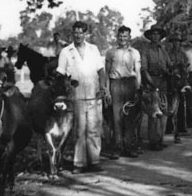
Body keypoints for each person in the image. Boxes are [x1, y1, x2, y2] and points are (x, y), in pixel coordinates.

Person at [57, 21, 110, 173]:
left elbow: (101, 70)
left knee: (94, 129)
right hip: (75, 96)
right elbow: (60, 73)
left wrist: (103, 88)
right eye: (75, 32)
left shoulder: (93, 49)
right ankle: (79, 164)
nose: (78, 35)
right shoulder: (66, 51)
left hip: (94, 94)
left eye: (81, 32)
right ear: (72, 34)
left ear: (86, 34)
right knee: (79, 131)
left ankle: (94, 161)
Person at [105, 26, 142, 158]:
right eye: (120, 36)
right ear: (117, 37)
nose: (122, 39)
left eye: (125, 36)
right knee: (117, 118)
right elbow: (107, 73)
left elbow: (137, 72)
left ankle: (129, 146)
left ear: (129, 37)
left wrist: (138, 89)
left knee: (130, 116)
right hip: (116, 84)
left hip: (130, 84)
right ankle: (117, 147)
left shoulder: (135, 52)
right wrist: (107, 91)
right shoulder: (111, 52)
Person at [141, 24, 173, 151]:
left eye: (158, 34)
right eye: (153, 34)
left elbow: (169, 64)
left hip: (163, 81)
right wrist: (151, 83)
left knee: (164, 111)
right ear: (150, 36)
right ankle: (153, 141)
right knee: (153, 112)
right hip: (151, 81)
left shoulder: (162, 49)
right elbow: (144, 69)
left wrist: (170, 70)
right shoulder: (146, 50)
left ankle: (160, 138)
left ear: (160, 36)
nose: (156, 36)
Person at [165, 31, 189, 139]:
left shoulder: (183, 54)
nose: (176, 43)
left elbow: (186, 66)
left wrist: (183, 69)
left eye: (178, 41)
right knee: (169, 103)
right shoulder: (167, 53)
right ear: (172, 42)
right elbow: (166, 66)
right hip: (170, 79)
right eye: (174, 41)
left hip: (181, 80)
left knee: (181, 104)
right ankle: (168, 126)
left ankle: (181, 127)